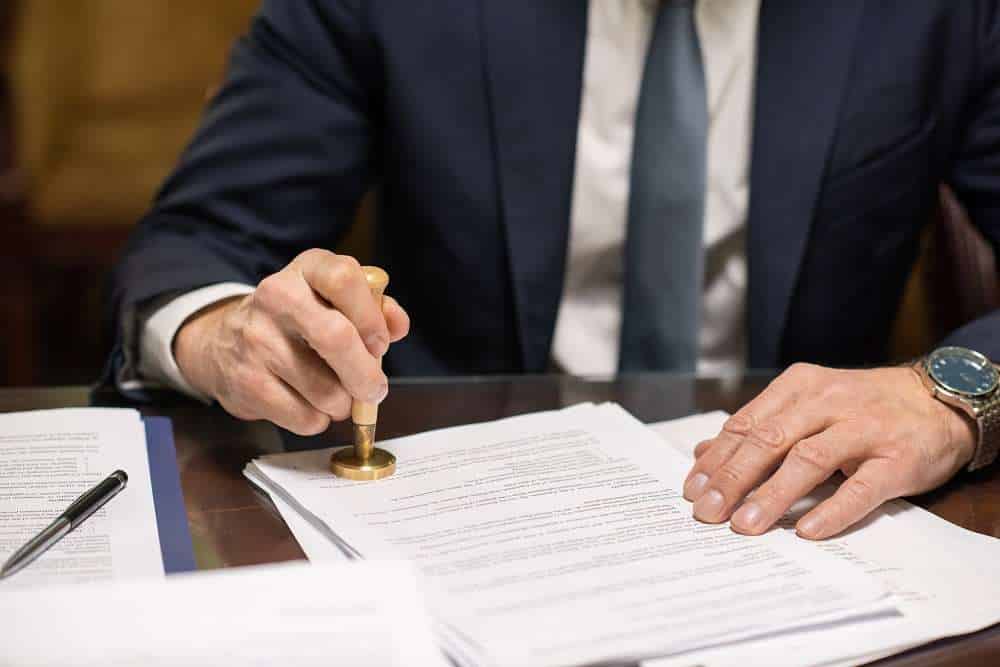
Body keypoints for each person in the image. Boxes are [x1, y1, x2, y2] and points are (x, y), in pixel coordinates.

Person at [107, 1, 1000, 540]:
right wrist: (224, 333)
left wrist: (953, 396)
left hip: (796, 521)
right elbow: (199, 242)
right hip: (447, 510)